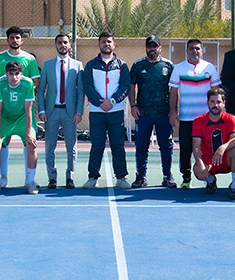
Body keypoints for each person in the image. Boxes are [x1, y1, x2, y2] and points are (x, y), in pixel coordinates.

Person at [0, 26, 40, 185]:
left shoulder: (29, 60)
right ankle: (1, 179)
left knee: (30, 143)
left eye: (17, 37)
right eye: (11, 37)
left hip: (22, 113)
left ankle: (30, 181)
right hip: (5, 113)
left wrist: (21, 91)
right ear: (7, 39)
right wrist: (8, 89)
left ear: (22, 40)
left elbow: (36, 82)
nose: (14, 40)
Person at [82, 31, 131, 189]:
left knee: (118, 145)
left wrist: (112, 101)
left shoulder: (122, 65)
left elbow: (125, 86)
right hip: (97, 113)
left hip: (116, 112)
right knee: (97, 145)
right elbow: (87, 86)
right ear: (99, 44)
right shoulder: (91, 65)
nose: (106, 44)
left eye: (109, 41)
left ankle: (121, 177)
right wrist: (100, 103)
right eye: (103, 42)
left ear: (114, 44)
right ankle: (93, 177)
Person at [169, 38, 221, 189]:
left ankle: (210, 178)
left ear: (202, 50)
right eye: (191, 48)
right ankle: (186, 178)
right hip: (186, 118)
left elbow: (217, 92)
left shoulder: (210, 68)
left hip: (206, 119)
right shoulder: (179, 68)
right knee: (185, 149)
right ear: (187, 51)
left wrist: (217, 113)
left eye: (197, 48)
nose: (195, 51)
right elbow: (173, 92)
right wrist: (173, 112)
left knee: (207, 149)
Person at [38, 33, 85, 189]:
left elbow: (80, 91)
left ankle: (70, 177)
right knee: (49, 147)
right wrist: (42, 110)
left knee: (71, 147)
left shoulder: (77, 65)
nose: (62, 45)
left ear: (70, 45)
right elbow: (41, 90)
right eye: (59, 42)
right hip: (51, 112)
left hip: (69, 112)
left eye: (65, 42)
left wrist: (79, 112)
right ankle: (52, 178)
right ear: (55, 45)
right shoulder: (47, 65)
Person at [129, 35, 176, 188]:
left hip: (163, 114)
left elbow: (174, 89)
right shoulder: (138, 65)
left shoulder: (168, 65)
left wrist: (173, 111)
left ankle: (168, 176)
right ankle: (140, 176)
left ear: (160, 48)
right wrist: (133, 106)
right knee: (141, 146)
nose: (152, 49)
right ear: (146, 48)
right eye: (149, 46)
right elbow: (131, 86)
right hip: (143, 114)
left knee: (166, 146)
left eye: (155, 46)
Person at [192, 87, 235, 200]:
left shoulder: (230, 118)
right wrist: (200, 164)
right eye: (212, 102)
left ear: (224, 103)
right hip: (209, 160)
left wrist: (222, 148)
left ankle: (234, 186)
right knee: (197, 169)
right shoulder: (198, 121)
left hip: (226, 159)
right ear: (207, 103)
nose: (215, 105)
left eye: (219, 102)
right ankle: (211, 181)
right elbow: (196, 146)